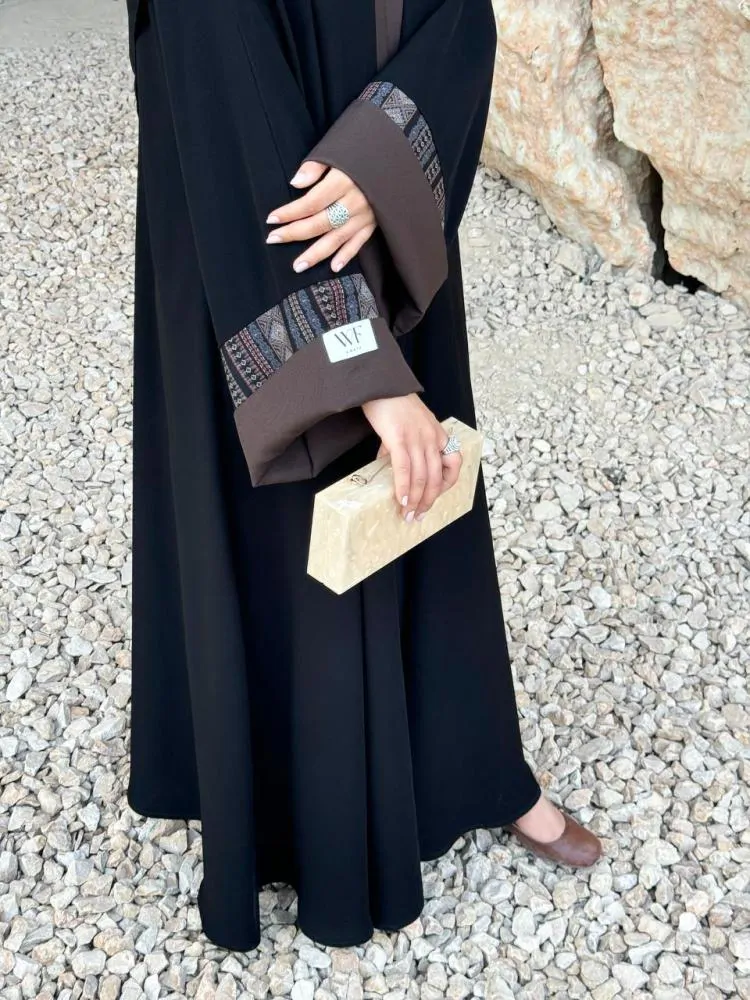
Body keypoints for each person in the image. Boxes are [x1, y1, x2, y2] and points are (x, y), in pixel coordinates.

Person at [124, 0, 603, 952]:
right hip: (260, 214)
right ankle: (311, 817)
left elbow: (460, 17)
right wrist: (356, 359)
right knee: (310, 514)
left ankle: (473, 764)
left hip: (378, 193)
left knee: (417, 502)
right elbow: (223, 82)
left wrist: (384, 164)